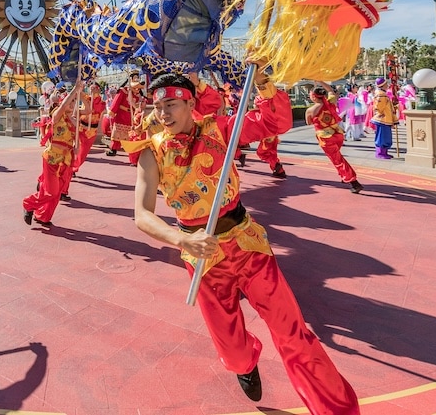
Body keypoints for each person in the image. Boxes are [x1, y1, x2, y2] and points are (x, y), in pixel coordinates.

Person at [133, 71, 359, 414]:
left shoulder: (221, 129)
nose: (164, 113)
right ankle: (244, 362)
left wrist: (266, 82)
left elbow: (275, 121)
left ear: (190, 104)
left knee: (293, 334)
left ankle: (336, 410)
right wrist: (182, 239)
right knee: (233, 350)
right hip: (203, 257)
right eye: (159, 105)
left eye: (172, 104)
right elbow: (142, 215)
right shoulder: (151, 153)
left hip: (247, 244)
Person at [23, 79, 82, 227]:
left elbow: (77, 141)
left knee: (56, 192)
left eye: (74, 102)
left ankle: (43, 216)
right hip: (53, 158)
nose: (73, 103)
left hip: (66, 160)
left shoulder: (73, 121)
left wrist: (76, 148)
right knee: (52, 191)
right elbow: (62, 106)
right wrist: (75, 89)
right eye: (71, 101)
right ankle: (28, 204)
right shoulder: (56, 115)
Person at [306, 83, 363, 193]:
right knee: (338, 157)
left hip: (326, 138)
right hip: (338, 134)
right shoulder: (330, 102)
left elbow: (309, 122)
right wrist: (320, 81)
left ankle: (353, 182)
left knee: (338, 160)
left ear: (313, 96)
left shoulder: (310, 110)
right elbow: (331, 90)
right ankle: (344, 175)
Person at [105, 71, 146, 162]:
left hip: (131, 117)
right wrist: (112, 111)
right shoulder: (123, 91)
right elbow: (116, 101)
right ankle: (114, 149)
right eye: (134, 78)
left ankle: (131, 152)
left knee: (131, 135)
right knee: (118, 134)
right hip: (121, 115)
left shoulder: (138, 94)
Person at [72, 82, 106, 177]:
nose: (92, 89)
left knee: (83, 152)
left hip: (91, 131)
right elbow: (79, 110)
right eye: (91, 87)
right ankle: (70, 167)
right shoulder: (85, 99)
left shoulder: (102, 103)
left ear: (99, 90)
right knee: (75, 148)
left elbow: (96, 110)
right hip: (81, 128)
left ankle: (75, 167)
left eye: (95, 88)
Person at [371, 77, 397, 159]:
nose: (387, 85)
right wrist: (381, 113)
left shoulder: (382, 94)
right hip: (383, 119)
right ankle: (380, 153)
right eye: (386, 84)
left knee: (385, 137)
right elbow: (378, 107)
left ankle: (384, 152)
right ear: (382, 85)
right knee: (382, 137)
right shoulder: (381, 95)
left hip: (385, 119)